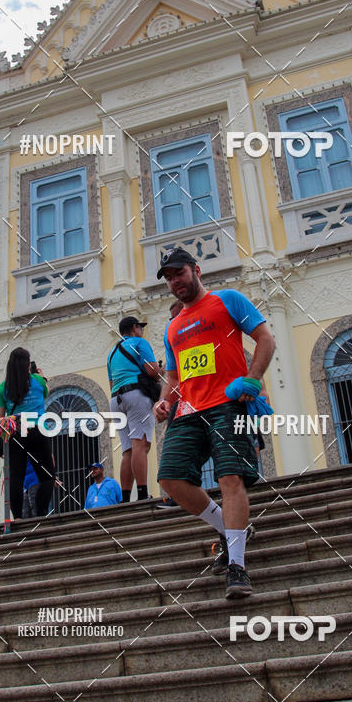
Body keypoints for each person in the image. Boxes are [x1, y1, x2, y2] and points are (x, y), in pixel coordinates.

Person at [154, 248, 276, 600]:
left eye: (179, 273)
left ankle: (237, 565)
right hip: (188, 410)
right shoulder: (173, 326)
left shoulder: (229, 301)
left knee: (230, 477)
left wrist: (253, 379)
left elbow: (266, 339)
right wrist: (165, 401)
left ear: (196, 269)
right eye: (168, 277)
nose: (175, 281)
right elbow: (175, 375)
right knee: (170, 479)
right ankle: (230, 527)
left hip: (228, 404)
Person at [0, 348, 56, 520]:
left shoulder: (3, 388)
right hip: (37, 430)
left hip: (16, 433)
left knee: (16, 478)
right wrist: (42, 377)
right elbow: (47, 392)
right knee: (47, 476)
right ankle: (41, 512)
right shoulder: (37, 381)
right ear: (28, 365)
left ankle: (18, 517)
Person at [107, 316, 160, 502]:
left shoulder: (112, 353)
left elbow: (112, 382)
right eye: (141, 328)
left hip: (116, 400)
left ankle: (126, 497)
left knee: (127, 449)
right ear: (134, 328)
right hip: (136, 395)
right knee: (141, 443)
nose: (142, 331)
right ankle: (143, 494)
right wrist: (162, 369)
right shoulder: (139, 343)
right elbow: (151, 370)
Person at [155, 299, 184, 510]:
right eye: (170, 319)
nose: (173, 322)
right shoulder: (172, 338)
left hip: (208, 399)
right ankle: (179, 494)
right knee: (177, 451)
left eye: (176, 317)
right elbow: (171, 375)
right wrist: (164, 401)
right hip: (181, 402)